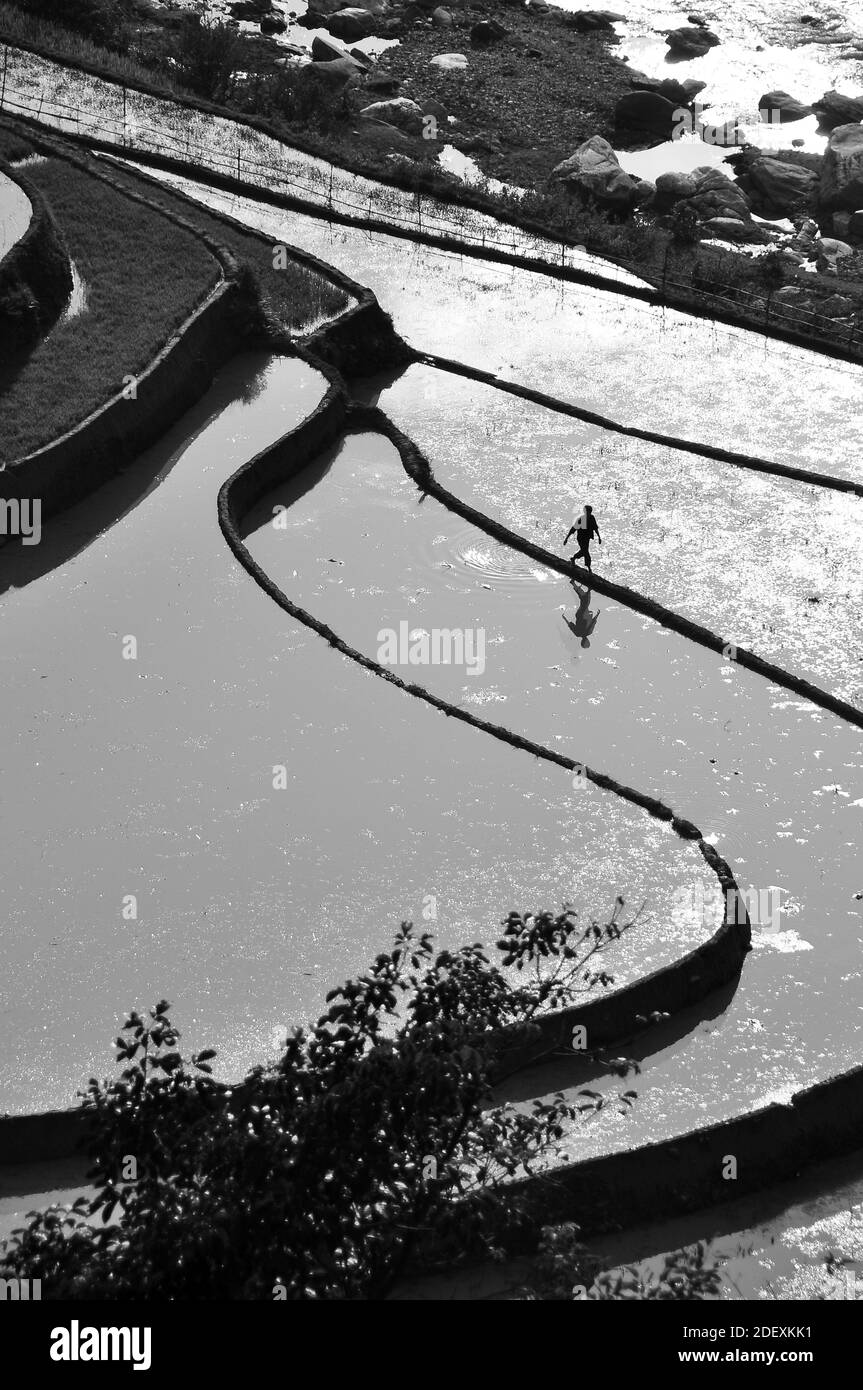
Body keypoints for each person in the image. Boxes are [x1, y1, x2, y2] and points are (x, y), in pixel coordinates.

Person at [563, 504, 602, 571]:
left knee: (584, 551)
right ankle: (589, 567)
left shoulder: (592, 518)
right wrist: (566, 538)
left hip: (587, 538)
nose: (588, 513)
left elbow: (595, 527)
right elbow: (573, 529)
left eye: (589, 512)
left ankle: (574, 558)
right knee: (585, 552)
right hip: (581, 538)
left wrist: (599, 537)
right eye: (587, 511)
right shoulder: (581, 519)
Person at [563, 581, 600, 649]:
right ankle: (575, 585)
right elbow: (570, 626)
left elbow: (593, 622)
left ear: (587, 641)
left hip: (584, 615)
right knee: (584, 601)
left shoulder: (589, 632)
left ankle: (588, 589)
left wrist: (597, 614)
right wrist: (564, 618)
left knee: (586, 601)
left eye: (588, 642)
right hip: (579, 614)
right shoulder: (577, 634)